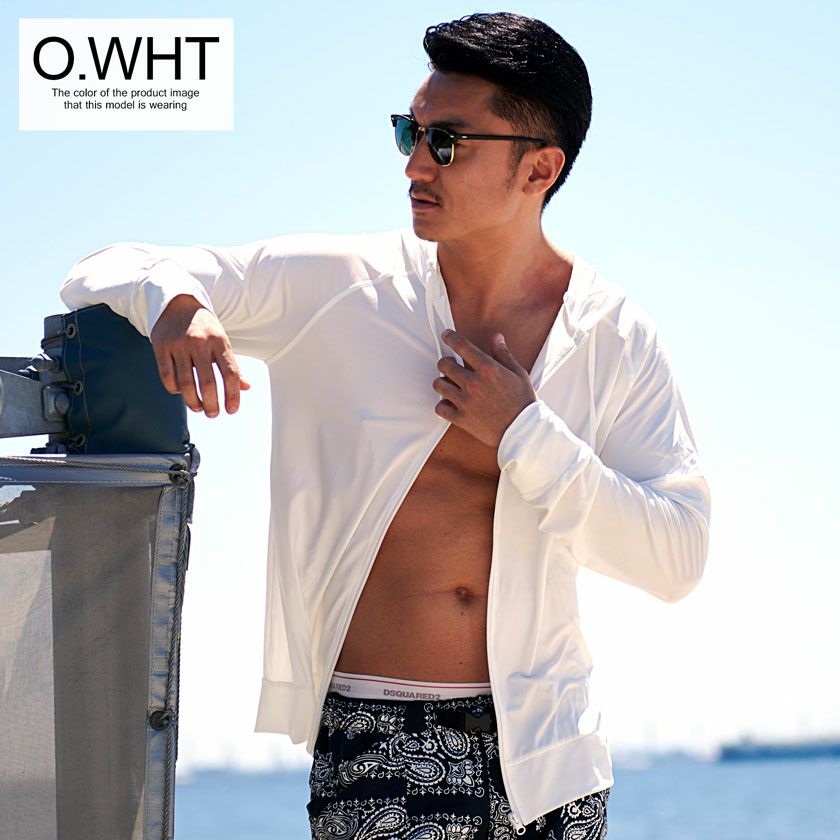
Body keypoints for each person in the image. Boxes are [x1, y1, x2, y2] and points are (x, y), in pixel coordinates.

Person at [60, 11, 711, 839]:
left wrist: (525, 434)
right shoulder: (341, 287)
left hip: (554, 758)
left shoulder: (612, 335)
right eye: (410, 131)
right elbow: (105, 267)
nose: (413, 163)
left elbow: (677, 557)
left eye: (446, 141)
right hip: (383, 744)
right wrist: (178, 304)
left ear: (539, 168)